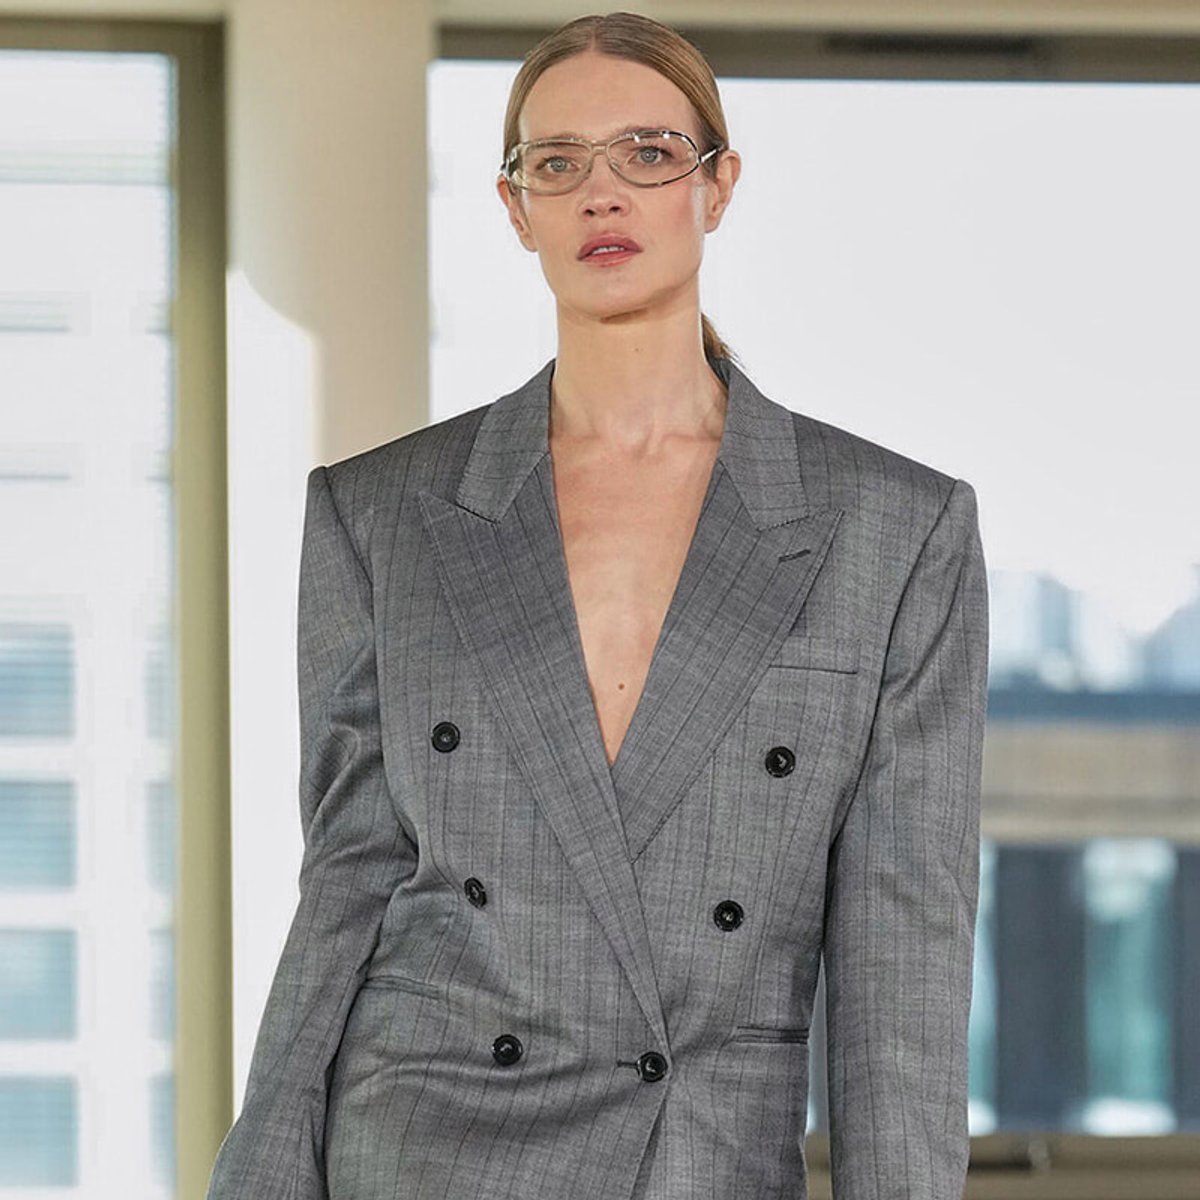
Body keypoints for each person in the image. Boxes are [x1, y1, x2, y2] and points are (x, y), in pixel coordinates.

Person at [206, 10, 989, 1200]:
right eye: (557, 164)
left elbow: (901, 966)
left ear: (718, 186)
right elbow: (347, 889)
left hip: (700, 1161)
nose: (600, 195)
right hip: (419, 1145)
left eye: (648, 154)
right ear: (515, 208)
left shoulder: (894, 529)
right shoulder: (382, 515)